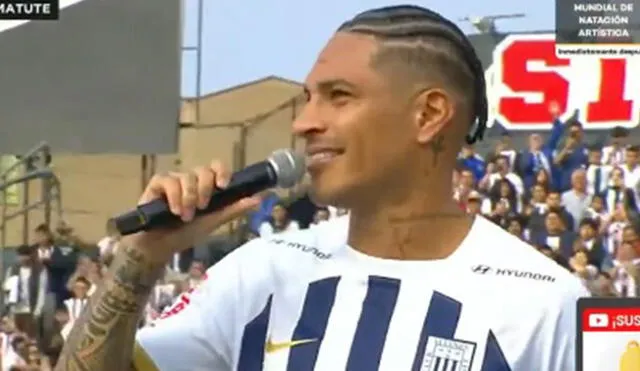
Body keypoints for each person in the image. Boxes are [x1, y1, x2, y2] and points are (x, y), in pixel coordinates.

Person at [57, 5, 588, 371]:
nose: (304, 122)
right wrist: (140, 259)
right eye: (308, 97)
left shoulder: (545, 302)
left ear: (428, 115)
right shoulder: (257, 271)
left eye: (338, 96)